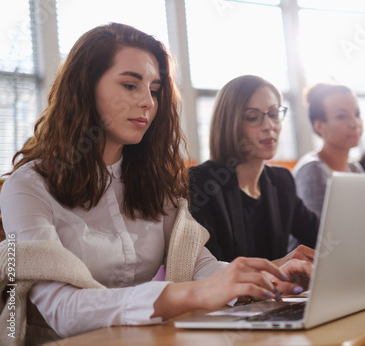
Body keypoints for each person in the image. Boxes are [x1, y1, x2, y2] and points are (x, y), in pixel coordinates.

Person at [0, 24, 311, 343]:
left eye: (155, 89)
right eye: (131, 85)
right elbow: (62, 310)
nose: (148, 102)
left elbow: (199, 265)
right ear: (84, 88)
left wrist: (262, 280)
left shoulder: (155, 181)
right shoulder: (28, 187)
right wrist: (189, 295)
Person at [188, 75, 319, 264]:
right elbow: (210, 271)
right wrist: (281, 265)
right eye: (252, 117)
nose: (269, 126)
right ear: (229, 124)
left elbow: (319, 238)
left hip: (278, 294)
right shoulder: (200, 181)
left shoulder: (281, 180)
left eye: (274, 114)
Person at [292, 83, 364, 219]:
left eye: (357, 114)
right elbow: (320, 234)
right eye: (342, 116)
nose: (354, 124)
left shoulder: (354, 168)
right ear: (319, 126)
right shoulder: (312, 170)